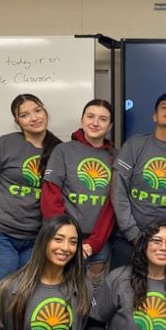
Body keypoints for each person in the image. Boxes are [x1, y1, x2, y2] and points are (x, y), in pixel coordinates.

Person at [0, 94, 62, 301]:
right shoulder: (2, 145)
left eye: (38, 110)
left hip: (37, 241)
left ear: (45, 111)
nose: (34, 117)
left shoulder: (60, 150)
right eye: (25, 115)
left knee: (28, 303)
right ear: (17, 121)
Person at [111, 93, 166, 270]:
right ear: (154, 116)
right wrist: (133, 234)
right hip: (128, 241)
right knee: (120, 293)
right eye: (164, 107)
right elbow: (118, 190)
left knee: (163, 296)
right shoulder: (134, 144)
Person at [41, 99, 115, 295]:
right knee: (61, 296)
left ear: (110, 126)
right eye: (90, 116)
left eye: (103, 119)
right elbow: (51, 198)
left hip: (98, 244)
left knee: (93, 300)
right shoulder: (63, 151)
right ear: (81, 120)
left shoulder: (116, 157)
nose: (95, 123)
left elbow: (113, 206)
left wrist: (94, 243)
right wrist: (67, 237)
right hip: (63, 242)